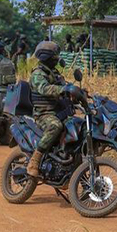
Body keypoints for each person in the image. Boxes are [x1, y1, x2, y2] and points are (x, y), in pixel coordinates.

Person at [26, 40, 83, 178]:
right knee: (55, 126)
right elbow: (44, 88)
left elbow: (65, 85)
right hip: (44, 114)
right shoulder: (38, 74)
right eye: (54, 57)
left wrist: (78, 92)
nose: (57, 59)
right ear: (47, 57)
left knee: (77, 126)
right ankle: (35, 159)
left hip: (59, 112)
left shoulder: (55, 73)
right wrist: (64, 89)